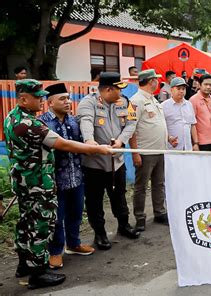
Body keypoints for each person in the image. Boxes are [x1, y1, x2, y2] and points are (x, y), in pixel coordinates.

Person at [4, 79, 111, 289]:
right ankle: (38, 274)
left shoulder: (12, 117)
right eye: (37, 97)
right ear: (24, 99)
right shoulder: (29, 123)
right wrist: (97, 149)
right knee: (40, 226)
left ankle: (24, 265)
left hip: (24, 181)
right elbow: (62, 144)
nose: (41, 100)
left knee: (26, 225)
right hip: (37, 184)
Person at [77, 72, 140, 251]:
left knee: (119, 195)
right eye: (117, 90)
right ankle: (100, 233)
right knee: (95, 200)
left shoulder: (126, 102)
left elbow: (131, 123)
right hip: (94, 163)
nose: (120, 94)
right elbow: (86, 121)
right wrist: (89, 141)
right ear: (107, 89)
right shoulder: (88, 103)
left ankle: (124, 225)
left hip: (116, 162)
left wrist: (121, 141)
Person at [39, 83, 95, 270]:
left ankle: (73, 244)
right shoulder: (43, 123)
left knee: (76, 213)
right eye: (62, 99)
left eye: (68, 98)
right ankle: (55, 251)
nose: (68, 102)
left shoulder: (73, 121)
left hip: (76, 177)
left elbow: (80, 145)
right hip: (55, 181)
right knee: (56, 218)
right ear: (50, 102)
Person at [130, 69, 175, 232]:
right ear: (151, 81)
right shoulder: (135, 101)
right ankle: (140, 217)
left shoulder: (154, 100)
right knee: (141, 186)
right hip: (145, 152)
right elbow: (131, 129)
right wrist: (135, 152)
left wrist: (169, 138)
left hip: (160, 150)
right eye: (156, 79)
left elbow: (158, 124)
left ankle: (159, 212)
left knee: (159, 183)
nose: (158, 82)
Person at [162, 77, 199, 151]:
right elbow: (161, 127)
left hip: (188, 147)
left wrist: (196, 143)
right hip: (172, 148)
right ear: (171, 90)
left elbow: (192, 125)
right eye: (178, 89)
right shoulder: (163, 106)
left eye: (183, 89)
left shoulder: (189, 105)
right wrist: (169, 138)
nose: (181, 91)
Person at [190, 74, 211, 151]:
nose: (208, 87)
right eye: (205, 84)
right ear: (200, 85)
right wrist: (195, 143)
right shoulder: (193, 100)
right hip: (202, 142)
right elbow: (192, 123)